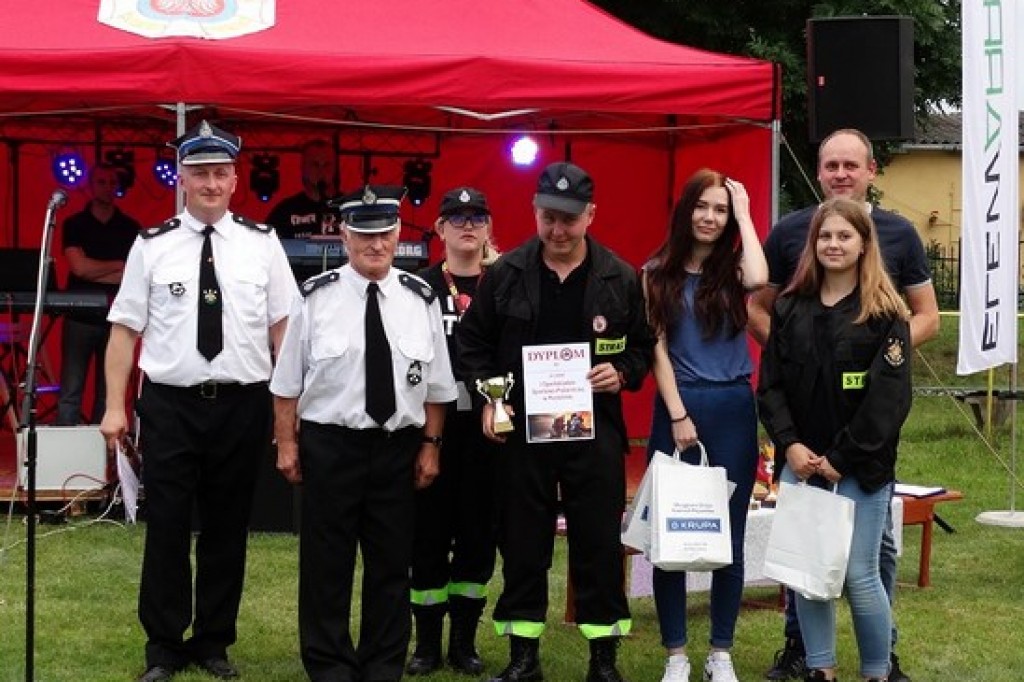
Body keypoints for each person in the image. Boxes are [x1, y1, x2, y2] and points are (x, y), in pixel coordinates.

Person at [99, 121, 299, 682]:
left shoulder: (263, 245)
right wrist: (116, 405)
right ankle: (163, 646)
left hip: (241, 403)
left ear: (235, 179)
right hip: (171, 404)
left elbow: (284, 327)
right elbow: (123, 330)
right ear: (182, 179)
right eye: (199, 174)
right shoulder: (151, 245)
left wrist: (291, 404)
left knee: (226, 526)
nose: (211, 183)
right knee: (165, 525)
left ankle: (214, 641)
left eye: (220, 173)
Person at [748, 128, 938, 682]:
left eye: (844, 238)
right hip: (803, 459)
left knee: (860, 573)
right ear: (812, 242)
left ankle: (879, 668)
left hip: (862, 464)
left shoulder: (885, 311)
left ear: (863, 244)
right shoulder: (791, 308)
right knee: (809, 573)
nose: (833, 244)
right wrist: (793, 446)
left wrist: (843, 457)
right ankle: (820, 669)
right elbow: (772, 385)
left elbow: (886, 401)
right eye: (824, 237)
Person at [457, 161, 655, 682]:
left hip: (595, 435)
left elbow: (643, 347)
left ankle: (603, 659)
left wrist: (623, 371)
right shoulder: (504, 274)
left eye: (569, 219)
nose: (558, 230)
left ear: (591, 214)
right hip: (523, 434)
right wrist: (493, 396)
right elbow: (472, 344)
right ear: (534, 212)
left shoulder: (620, 276)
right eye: (548, 217)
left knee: (598, 544)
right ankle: (523, 657)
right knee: (523, 543)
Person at [270, 184, 458, 682]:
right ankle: (329, 665)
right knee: (326, 567)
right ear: (344, 235)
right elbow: (287, 382)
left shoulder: (420, 299)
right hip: (331, 445)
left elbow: (438, 388)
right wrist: (287, 442)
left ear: (398, 234)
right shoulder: (314, 298)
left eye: (385, 235)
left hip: (397, 448)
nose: (375, 246)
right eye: (363, 235)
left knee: (391, 567)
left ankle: (381, 666)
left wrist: (431, 447)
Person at [642, 169, 767, 682]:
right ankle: (676, 654)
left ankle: (721, 651)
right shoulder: (655, 271)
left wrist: (746, 214)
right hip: (679, 408)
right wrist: (677, 414)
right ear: (685, 210)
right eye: (703, 207)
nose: (710, 218)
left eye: (719, 209)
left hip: (734, 407)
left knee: (728, 539)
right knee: (669, 538)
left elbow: (760, 279)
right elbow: (657, 347)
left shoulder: (734, 268)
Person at [404, 186, 500, 677]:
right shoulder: (417, 288)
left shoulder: (504, 285)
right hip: (430, 429)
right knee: (427, 535)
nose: (468, 225)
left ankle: (464, 641)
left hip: (489, 432)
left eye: (477, 217)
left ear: (488, 228)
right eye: (456, 217)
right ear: (439, 229)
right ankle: (426, 644)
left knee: (478, 538)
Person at [56, 162, 140, 425]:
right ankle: (66, 456)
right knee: (71, 388)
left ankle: (104, 456)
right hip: (79, 316)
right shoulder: (75, 223)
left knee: (109, 392)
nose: (107, 188)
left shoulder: (130, 227)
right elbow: (78, 268)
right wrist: (116, 265)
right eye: (101, 182)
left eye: (112, 183)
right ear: (91, 186)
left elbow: (132, 275)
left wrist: (95, 268)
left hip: (115, 317)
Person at [265, 139, 338, 238]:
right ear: (303, 168)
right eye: (315, 164)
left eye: (327, 165)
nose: (321, 171)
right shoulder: (284, 212)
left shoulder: (347, 208)